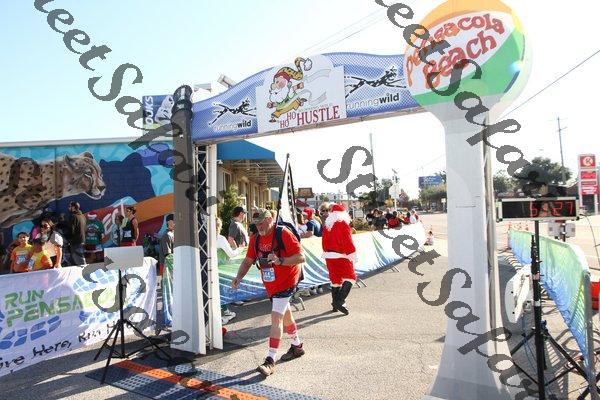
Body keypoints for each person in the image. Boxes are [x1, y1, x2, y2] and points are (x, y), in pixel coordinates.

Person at [231, 208, 305, 377]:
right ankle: (297, 346)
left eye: (261, 222)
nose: (259, 226)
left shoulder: (283, 233)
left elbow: (301, 257)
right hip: (272, 284)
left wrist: (280, 260)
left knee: (276, 318)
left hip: (287, 281)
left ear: (270, 219)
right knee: (286, 315)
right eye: (256, 223)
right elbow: (248, 260)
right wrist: (238, 277)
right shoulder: (255, 238)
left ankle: (270, 360)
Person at [322, 203, 357, 315]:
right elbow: (347, 241)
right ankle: (339, 301)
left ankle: (335, 305)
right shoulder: (343, 224)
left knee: (335, 280)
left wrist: (326, 253)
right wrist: (352, 254)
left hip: (329, 255)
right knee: (351, 277)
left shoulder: (327, 225)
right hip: (341, 255)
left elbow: (324, 242)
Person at [216, 217, 241, 324]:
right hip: (219, 268)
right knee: (220, 290)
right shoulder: (220, 238)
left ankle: (221, 311)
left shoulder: (202, 238)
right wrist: (239, 250)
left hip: (205, 267)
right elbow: (231, 253)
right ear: (219, 227)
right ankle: (225, 311)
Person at [159, 214, 175, 328]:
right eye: (174, 221)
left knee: (173, 293)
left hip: (172, 267)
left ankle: (173, 315)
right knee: (167, 293)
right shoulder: (166, 235)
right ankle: (168, 319)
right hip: (166, 267)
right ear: (169, 222)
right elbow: (168, 255)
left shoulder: (173, 234)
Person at [67, 201, 87, 266]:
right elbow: (85, 229)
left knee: (81, 264)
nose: (68, 208)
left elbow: (71, 230)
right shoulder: (83, 216)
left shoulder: (73, 217)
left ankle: (87, 272)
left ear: (73, 207)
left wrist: (68, 240)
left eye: (69, 206)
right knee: (75, 263)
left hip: (75, 243)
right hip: (82, 241)